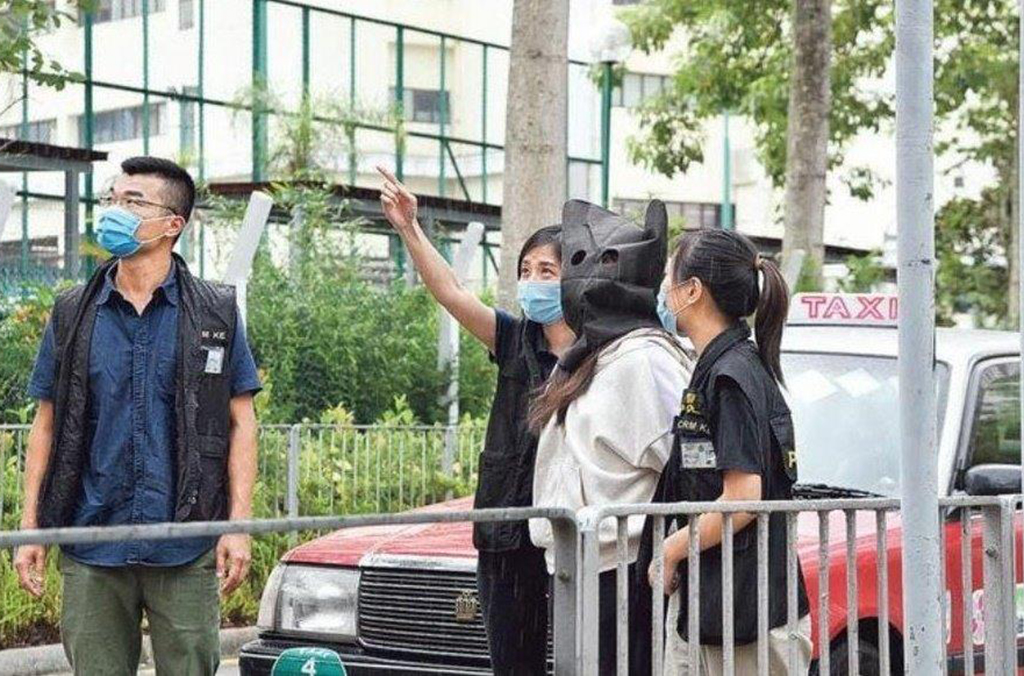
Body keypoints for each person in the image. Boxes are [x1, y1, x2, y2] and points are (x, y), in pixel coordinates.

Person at [13, 156, 261, 675]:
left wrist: (238, 526)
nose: (114, 211)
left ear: (174, 224)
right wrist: (31, 527)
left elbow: (241, 424)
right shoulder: (73, 311)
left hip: (186, 546)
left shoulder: (215, 313)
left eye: (133, 202)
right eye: (112, 199)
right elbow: (47, 426)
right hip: (92, 542)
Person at [377, 166, 575, 675]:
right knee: (513, 661)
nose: (532, 282)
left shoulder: (603, 353)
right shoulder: (513, 339)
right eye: (526, 270)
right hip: (506, 529)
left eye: (546, 272)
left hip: (571, 531)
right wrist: (409, 228)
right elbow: (450, 291)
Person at [528, 199, 694, 675]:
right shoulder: (590, 357)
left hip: (623, 571)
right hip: (575, 567)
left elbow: (685, 464)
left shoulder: (645, 360)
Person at [649, 228, 812, 675]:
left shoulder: (731, 376)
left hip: (746, 616)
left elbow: (742, 499)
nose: (662, 290)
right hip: (719, 608)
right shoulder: (722, 367)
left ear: (692, 291)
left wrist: (671, 549)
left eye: (668, 277)